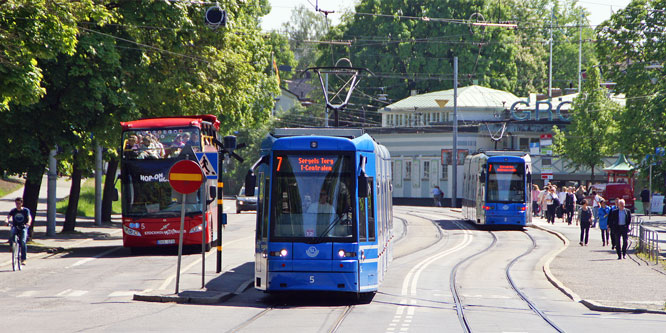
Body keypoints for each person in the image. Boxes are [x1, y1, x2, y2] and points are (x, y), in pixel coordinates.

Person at [5, 197, 32, 265]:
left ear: (22, 203)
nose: (18, 205)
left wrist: (28, 222)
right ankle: (12, 246)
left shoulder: (25, 210)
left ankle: (23, 259)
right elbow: (8, 217)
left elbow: (29, 217)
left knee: (23, 241)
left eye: (19, 203)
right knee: (12, 232)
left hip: (23, 227)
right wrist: (6, 221)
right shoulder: (13, 210)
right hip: (15, 226)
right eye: (16, 203)